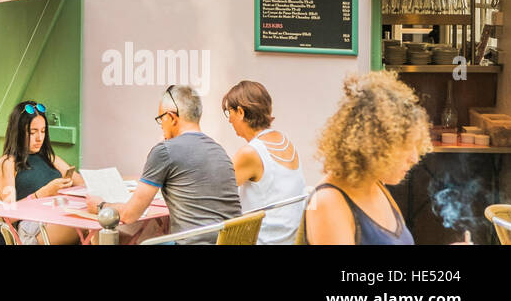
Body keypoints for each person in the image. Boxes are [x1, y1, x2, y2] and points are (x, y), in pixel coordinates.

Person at [88, 84, 240, 243]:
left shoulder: (165, 151)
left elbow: (129, 214)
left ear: (172, 117)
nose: (161, 126)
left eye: (161, 120)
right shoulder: (219, 151)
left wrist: (101, 206)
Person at [303, 71, 429, 245]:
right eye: (405, 146)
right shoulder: (329, 202)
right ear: (374, 144)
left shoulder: (377, 185)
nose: (415, 158)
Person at [223, 80, 306, 244]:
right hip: (290, 240)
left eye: (228, 112)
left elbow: (216, 195)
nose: (229, 120)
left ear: (240, 112)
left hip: (264, 240)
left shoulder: (250, 153)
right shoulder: (285, 142)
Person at [0, 100, 81, 244]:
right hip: (33, 227)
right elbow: (7, 215)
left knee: (116, 235)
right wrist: (43, 193)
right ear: (18, 133)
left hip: (58, 216)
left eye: (43, 131)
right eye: (32, 132)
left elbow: (82, 184)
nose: (39, 138)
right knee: (90, 226)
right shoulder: (9, 162)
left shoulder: (50, 157)